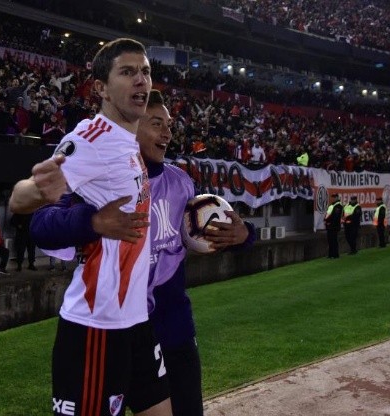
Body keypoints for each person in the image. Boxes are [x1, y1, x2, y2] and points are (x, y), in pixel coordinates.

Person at [31, 89, 255, 416]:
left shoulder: (182, 185)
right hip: (112, 331)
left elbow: (216, 231)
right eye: (156, 123)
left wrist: (243, 234)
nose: (167, 132)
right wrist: (91, 220)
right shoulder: (100, 183)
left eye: (169, 124)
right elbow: (42, 225)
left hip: (173, 329)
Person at [9, 38, 172, 416]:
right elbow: (19, 200)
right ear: (100, 88)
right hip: (97, 326)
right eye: (127, 72)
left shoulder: (129, 143)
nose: (140, 81)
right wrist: (39, 191)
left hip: (136, 321)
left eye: (145, 72)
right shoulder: (91, 138)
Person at [324, 193, 343, 258]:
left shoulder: (338, 206)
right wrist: (325, 220)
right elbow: (328, 214)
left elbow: (335, 217)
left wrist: (328, 221)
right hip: (329, 226)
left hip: (334, 226)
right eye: (333, 197)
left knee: (334, 240)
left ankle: (335, 254)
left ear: (337, 198)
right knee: (330, 240)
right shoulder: (331, 205)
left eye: (335, 197)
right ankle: (330, 254)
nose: (333, 198)